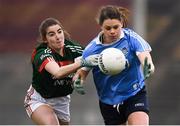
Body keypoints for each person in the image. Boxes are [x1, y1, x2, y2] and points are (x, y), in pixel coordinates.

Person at [73, 5, 155, 125]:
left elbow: (145, 57)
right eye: (108, 28)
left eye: (116, 27)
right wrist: (78, 81)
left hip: (134, 93)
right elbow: (81, 73)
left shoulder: (131, 38)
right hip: (108, 101)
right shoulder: (92, 49)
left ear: (121, 23)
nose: (112, 31)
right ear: (101, 26)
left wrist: (149, 66)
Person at [24, 17, 96, 125]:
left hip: (62, 101)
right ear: (45, 39)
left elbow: (92, 57)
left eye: (59, 32)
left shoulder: (74, 48)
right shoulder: (42, 53)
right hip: (39, 99)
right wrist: (82, 63)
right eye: (51, 34)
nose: (58, 37)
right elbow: (58, 73)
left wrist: (80, 75)